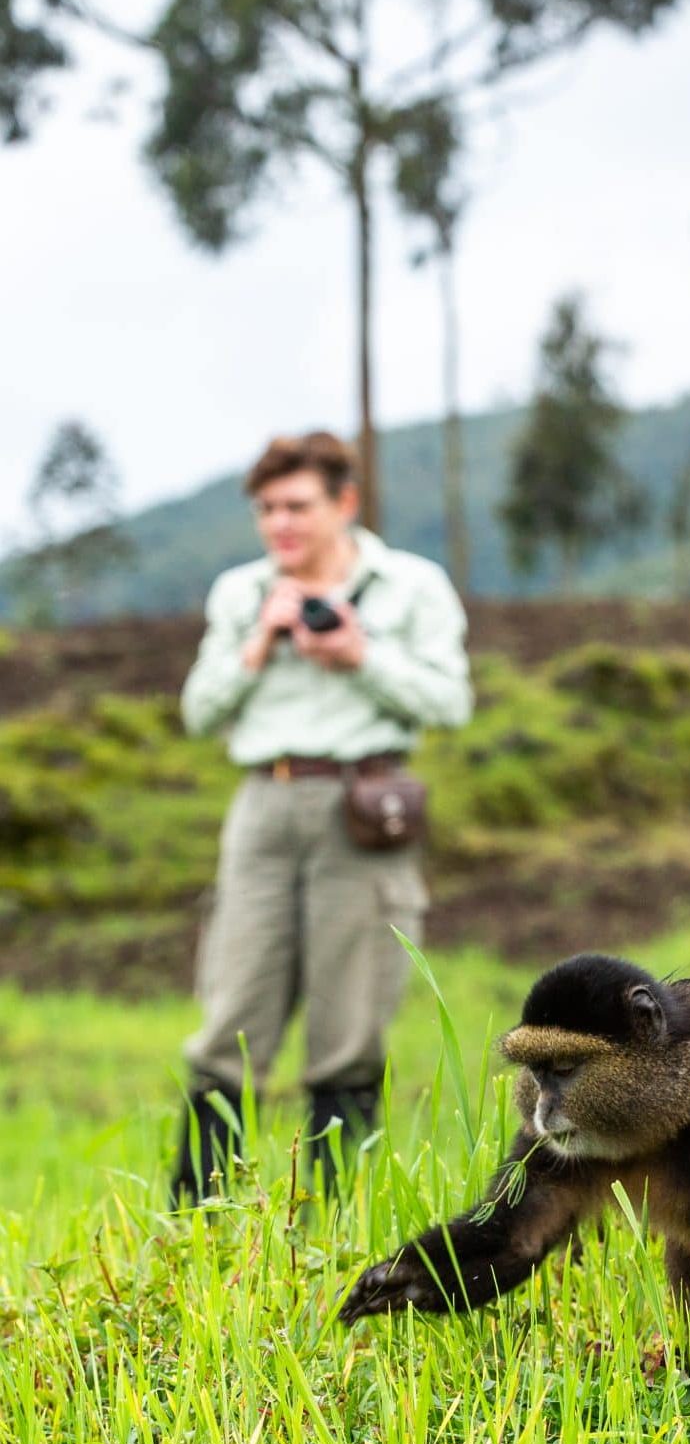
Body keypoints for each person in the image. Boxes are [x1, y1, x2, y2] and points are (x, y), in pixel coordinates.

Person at [173, 431, 472, 1202]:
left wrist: (359, 655)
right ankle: (193, 1224)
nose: (281, 525)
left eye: (298, 506)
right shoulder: (240, 592)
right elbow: (198, 713)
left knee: (349, 1023)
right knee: (231, 1012)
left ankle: (334, 1224)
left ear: (344, 503)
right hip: (261, 807)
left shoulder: (410, 586)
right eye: (267, 509)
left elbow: (451, 701)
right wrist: (258, 640)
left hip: (364, 810)